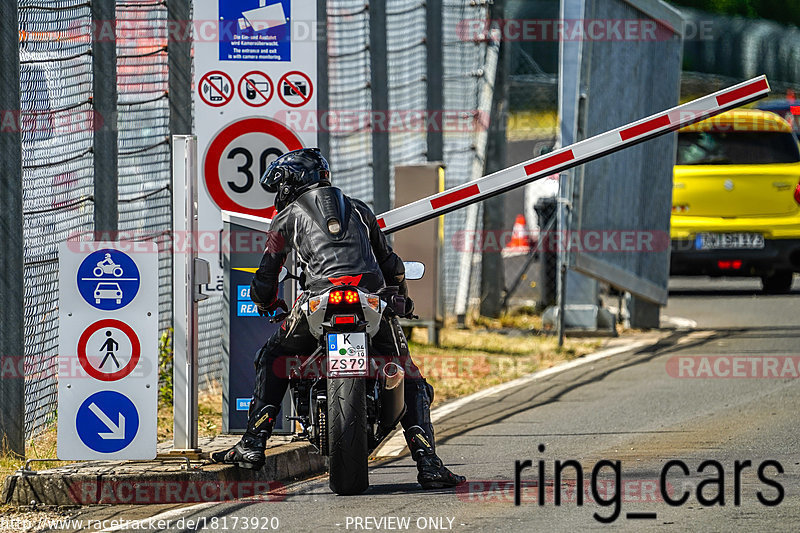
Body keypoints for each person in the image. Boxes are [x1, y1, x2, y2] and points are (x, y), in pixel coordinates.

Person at [211, 148, 465, 490]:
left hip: (318, 300)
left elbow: (266, 276)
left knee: (273, 358)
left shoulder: (285, 219)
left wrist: (265, 301)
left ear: (292, 182)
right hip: (369, 300)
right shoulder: (360, 209)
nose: (278, 192)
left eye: (280, 184)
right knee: (410, 375)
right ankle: (429, 463)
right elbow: (393, 266)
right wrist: (401, 296)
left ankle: (254, 442)